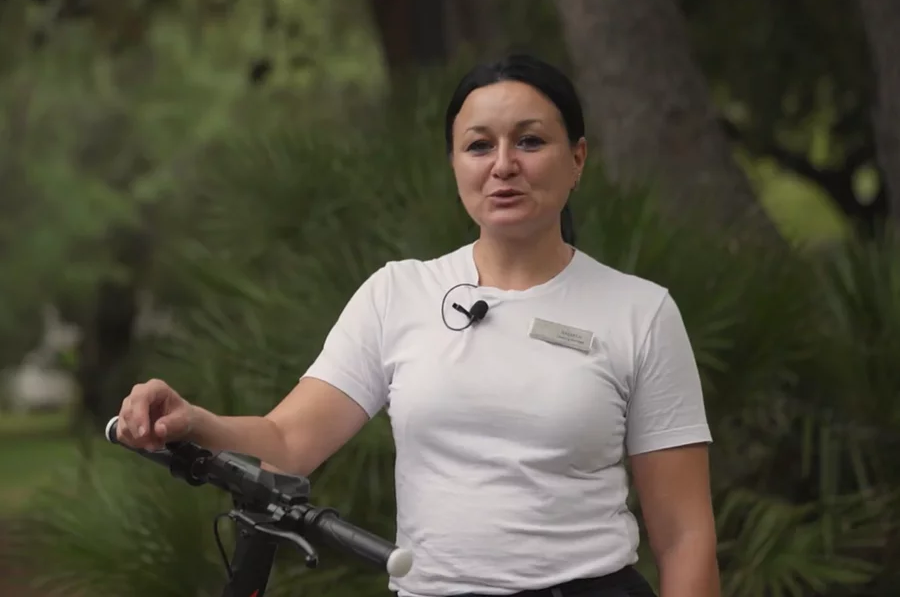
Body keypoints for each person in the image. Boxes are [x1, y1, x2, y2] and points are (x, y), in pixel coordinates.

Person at [115, 54, 720, 597]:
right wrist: (192, 421)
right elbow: (289, 442)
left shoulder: (640, 311)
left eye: (530, 142)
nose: (504, 165)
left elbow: (685, 537)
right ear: (456, 163)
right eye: (479, 146)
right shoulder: (398, 293)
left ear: (577, 158)